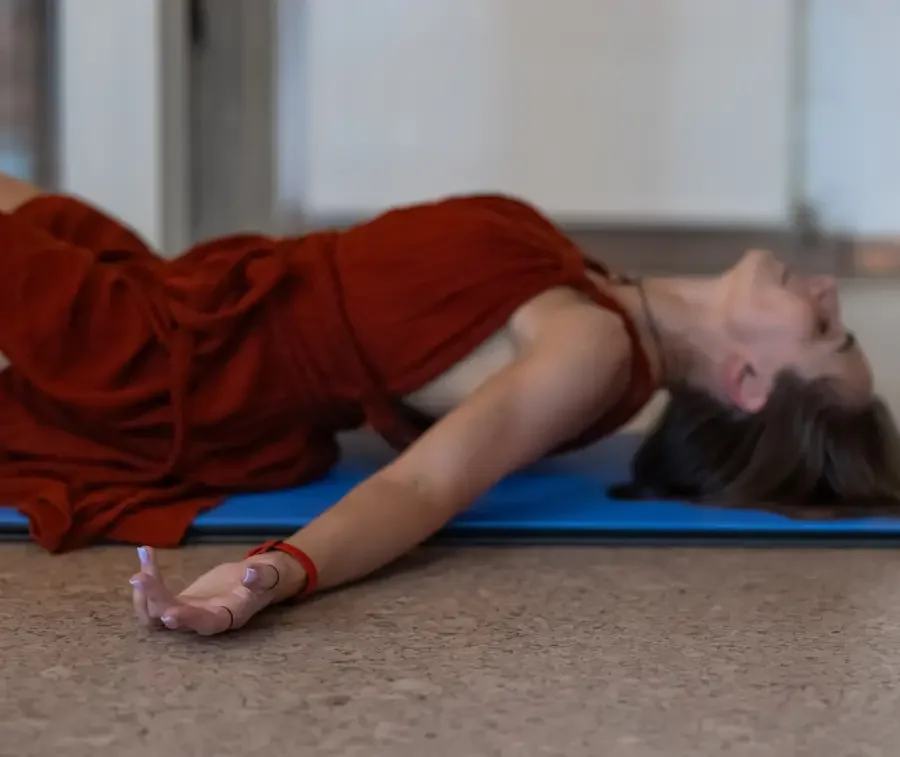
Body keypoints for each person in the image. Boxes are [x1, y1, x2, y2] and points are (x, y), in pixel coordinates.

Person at [0, 172, 897, 636]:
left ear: (748, 385)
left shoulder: (590, 348)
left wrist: (265, 577)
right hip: (200, 292)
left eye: (828, 330)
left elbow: (419, 490)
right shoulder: (603, 291)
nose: (825, 287)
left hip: (176, 363)